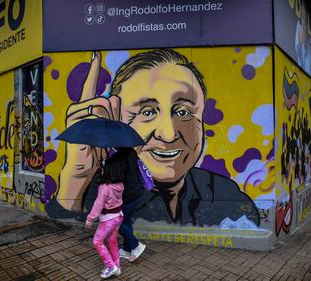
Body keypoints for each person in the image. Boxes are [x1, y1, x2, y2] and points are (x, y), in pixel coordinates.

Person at [48, 49, 259, 228]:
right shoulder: (97, 190)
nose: (168, 134)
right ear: (116, 119)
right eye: (147, 112)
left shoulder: (225, 196)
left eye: (184, 112)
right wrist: (75, 181)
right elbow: (64, 239)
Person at [85, 154, 126, 279]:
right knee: (112, 240)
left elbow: (98, 204)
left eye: (104, 168)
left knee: (97, 241)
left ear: (108, 171)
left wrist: (90, 219)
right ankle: (117, 266)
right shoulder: (120, 184)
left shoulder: (105, 187)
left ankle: (110, 267)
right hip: (119, 216)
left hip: (108, 219)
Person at [112, 148, 146, 262]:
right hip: (136, 193)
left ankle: (136, 245)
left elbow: (117, 179)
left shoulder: (119, 158)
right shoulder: (131, 152)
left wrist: (107, 166)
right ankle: (127, 249)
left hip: (128, 196)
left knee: (116, 222)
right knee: (126, 221)